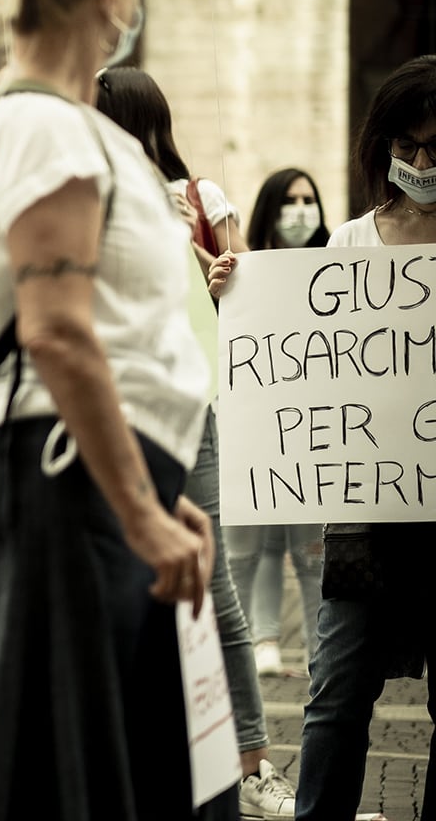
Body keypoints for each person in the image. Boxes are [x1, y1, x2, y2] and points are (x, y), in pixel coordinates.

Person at [0, 0, 223, 820]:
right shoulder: (38, 128)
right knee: (53, 783)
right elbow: (57, 331)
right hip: (58, 483)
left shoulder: (59, 126)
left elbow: (117, 335)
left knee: (108, 779)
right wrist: (141, 510)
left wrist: (158, 494)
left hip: (86, 477)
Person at [212, 56, 436, 821]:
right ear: (383, 147)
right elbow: (308, 361)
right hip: (366, 519)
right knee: (336, 693)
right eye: (406, 146)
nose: (421, 164)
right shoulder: (350, 244)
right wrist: (238, 299)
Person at [95, 67, 296, 818]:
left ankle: (251, 762)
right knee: (117, 583)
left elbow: (226, 294)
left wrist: (212, 265)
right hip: (111, 409)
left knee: (215, 589)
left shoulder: (193, 199)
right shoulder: (90, 195)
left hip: (189, 407)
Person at [226, 168, 330, 678]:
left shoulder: (337, 266)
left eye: (309, 200)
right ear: (271, 207)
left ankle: (320, 655)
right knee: (259, 546)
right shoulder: (243, 269)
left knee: (312, 552)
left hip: (317, 431)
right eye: (291, 200)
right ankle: (260, 644)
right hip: (257, 428)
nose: (301, 211)